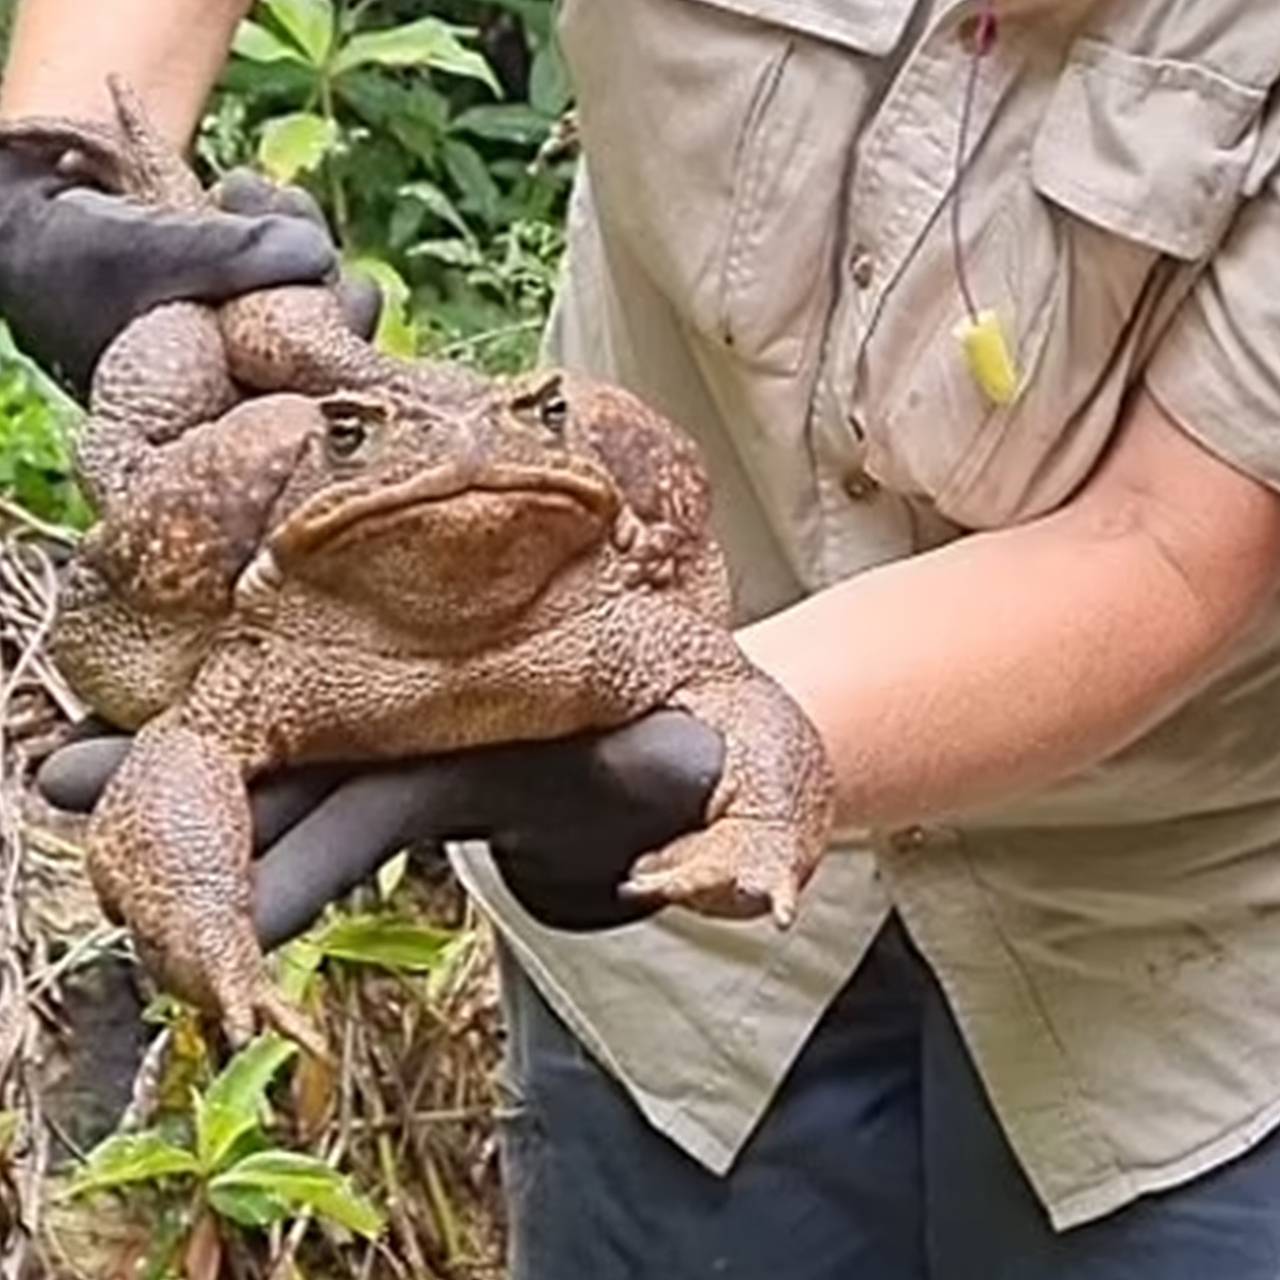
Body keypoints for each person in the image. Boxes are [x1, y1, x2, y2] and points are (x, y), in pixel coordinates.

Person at [9, 0, 1280, 1274]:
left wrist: (653, 751)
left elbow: (1162, 543)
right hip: (674, 977)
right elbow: (182, 763)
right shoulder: (313, 539)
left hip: (1168, 939)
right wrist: (46, 170)